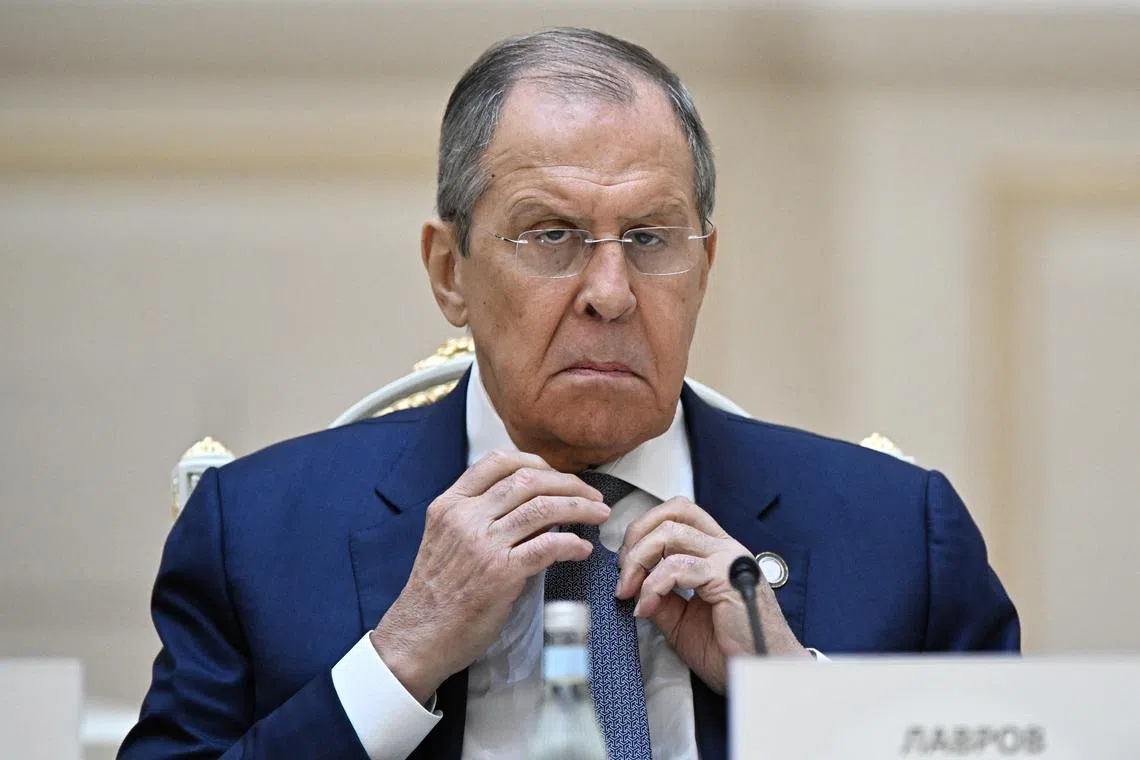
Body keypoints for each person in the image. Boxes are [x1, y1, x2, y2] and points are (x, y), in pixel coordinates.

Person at [119, 27, 1018, 760]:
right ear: (449, 271)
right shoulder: (258, 534)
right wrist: (397, 663)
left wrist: (799, 705)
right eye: (551, 235)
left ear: (705, 267)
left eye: (651, 238)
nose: (612, 293)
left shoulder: (900, 535)